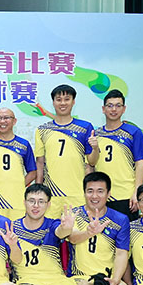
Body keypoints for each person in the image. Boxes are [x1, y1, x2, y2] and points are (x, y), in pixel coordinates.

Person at [34, 85, 99, 218]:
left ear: (73, 102)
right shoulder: (42, 130)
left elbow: (91, 162)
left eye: (67, 99)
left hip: (77, 194)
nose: (63, 103)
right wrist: (38, 191)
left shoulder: (85, 127)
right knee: (51, 230)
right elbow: (40, 163)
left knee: (77, 231)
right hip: (51, 195)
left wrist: (95, 148)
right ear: (53, 102)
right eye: (59, 99)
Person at [92, 89, 143, 221]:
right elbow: (91, 164)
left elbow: (140, 163)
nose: (114, 109)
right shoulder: (96, 134)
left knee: (126, 233)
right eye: (110, 105)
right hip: (101, 196)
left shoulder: (133, 132)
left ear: (124, 109)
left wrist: (137, 192)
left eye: (118, 105)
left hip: (126, 196)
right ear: (103, 109)